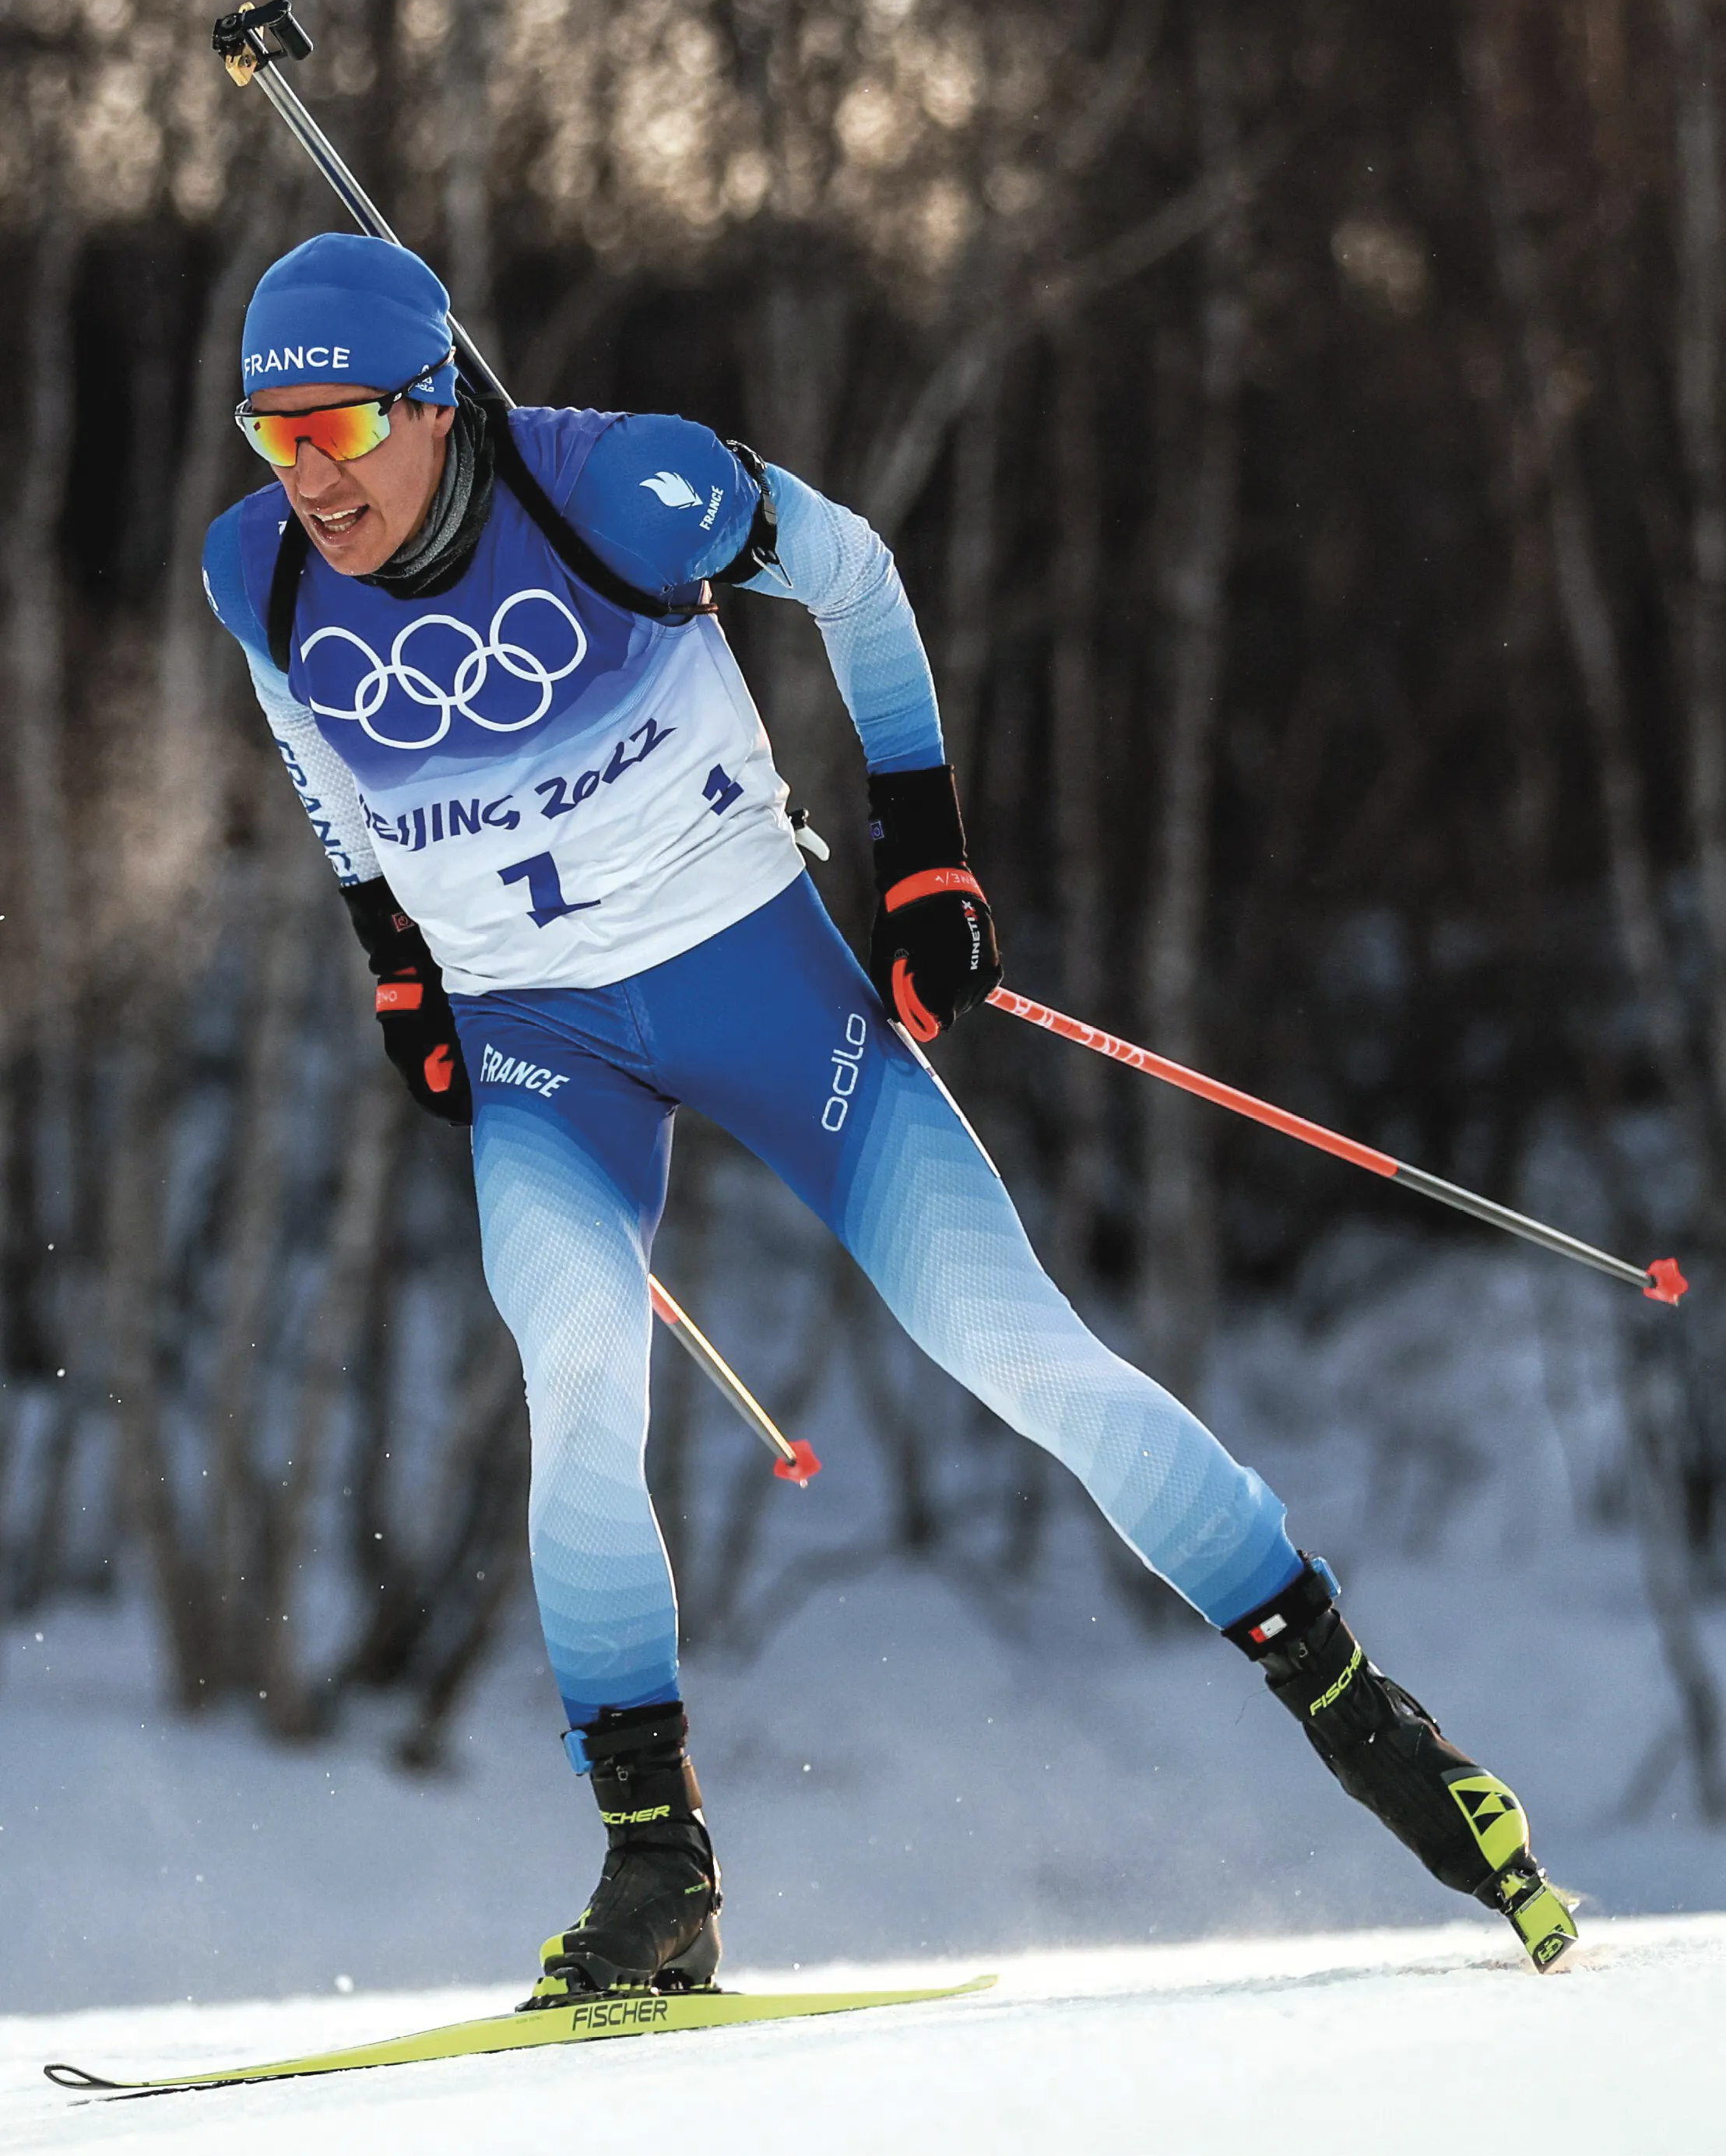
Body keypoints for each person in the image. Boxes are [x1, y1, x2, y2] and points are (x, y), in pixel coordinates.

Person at [202, 231, 1577, 1992]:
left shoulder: (625, 486)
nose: (305, 476)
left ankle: (1360, 1710)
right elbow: (318, 757)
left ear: (433, 399)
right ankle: (655, 1869)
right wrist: (395, 955)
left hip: (759, 991)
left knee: (1025, 1357)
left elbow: (850, 573)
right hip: (543, 1038)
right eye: (270, 437)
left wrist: (921, 854)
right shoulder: (259, 572)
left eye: (332, 428)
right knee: (574, 1380)